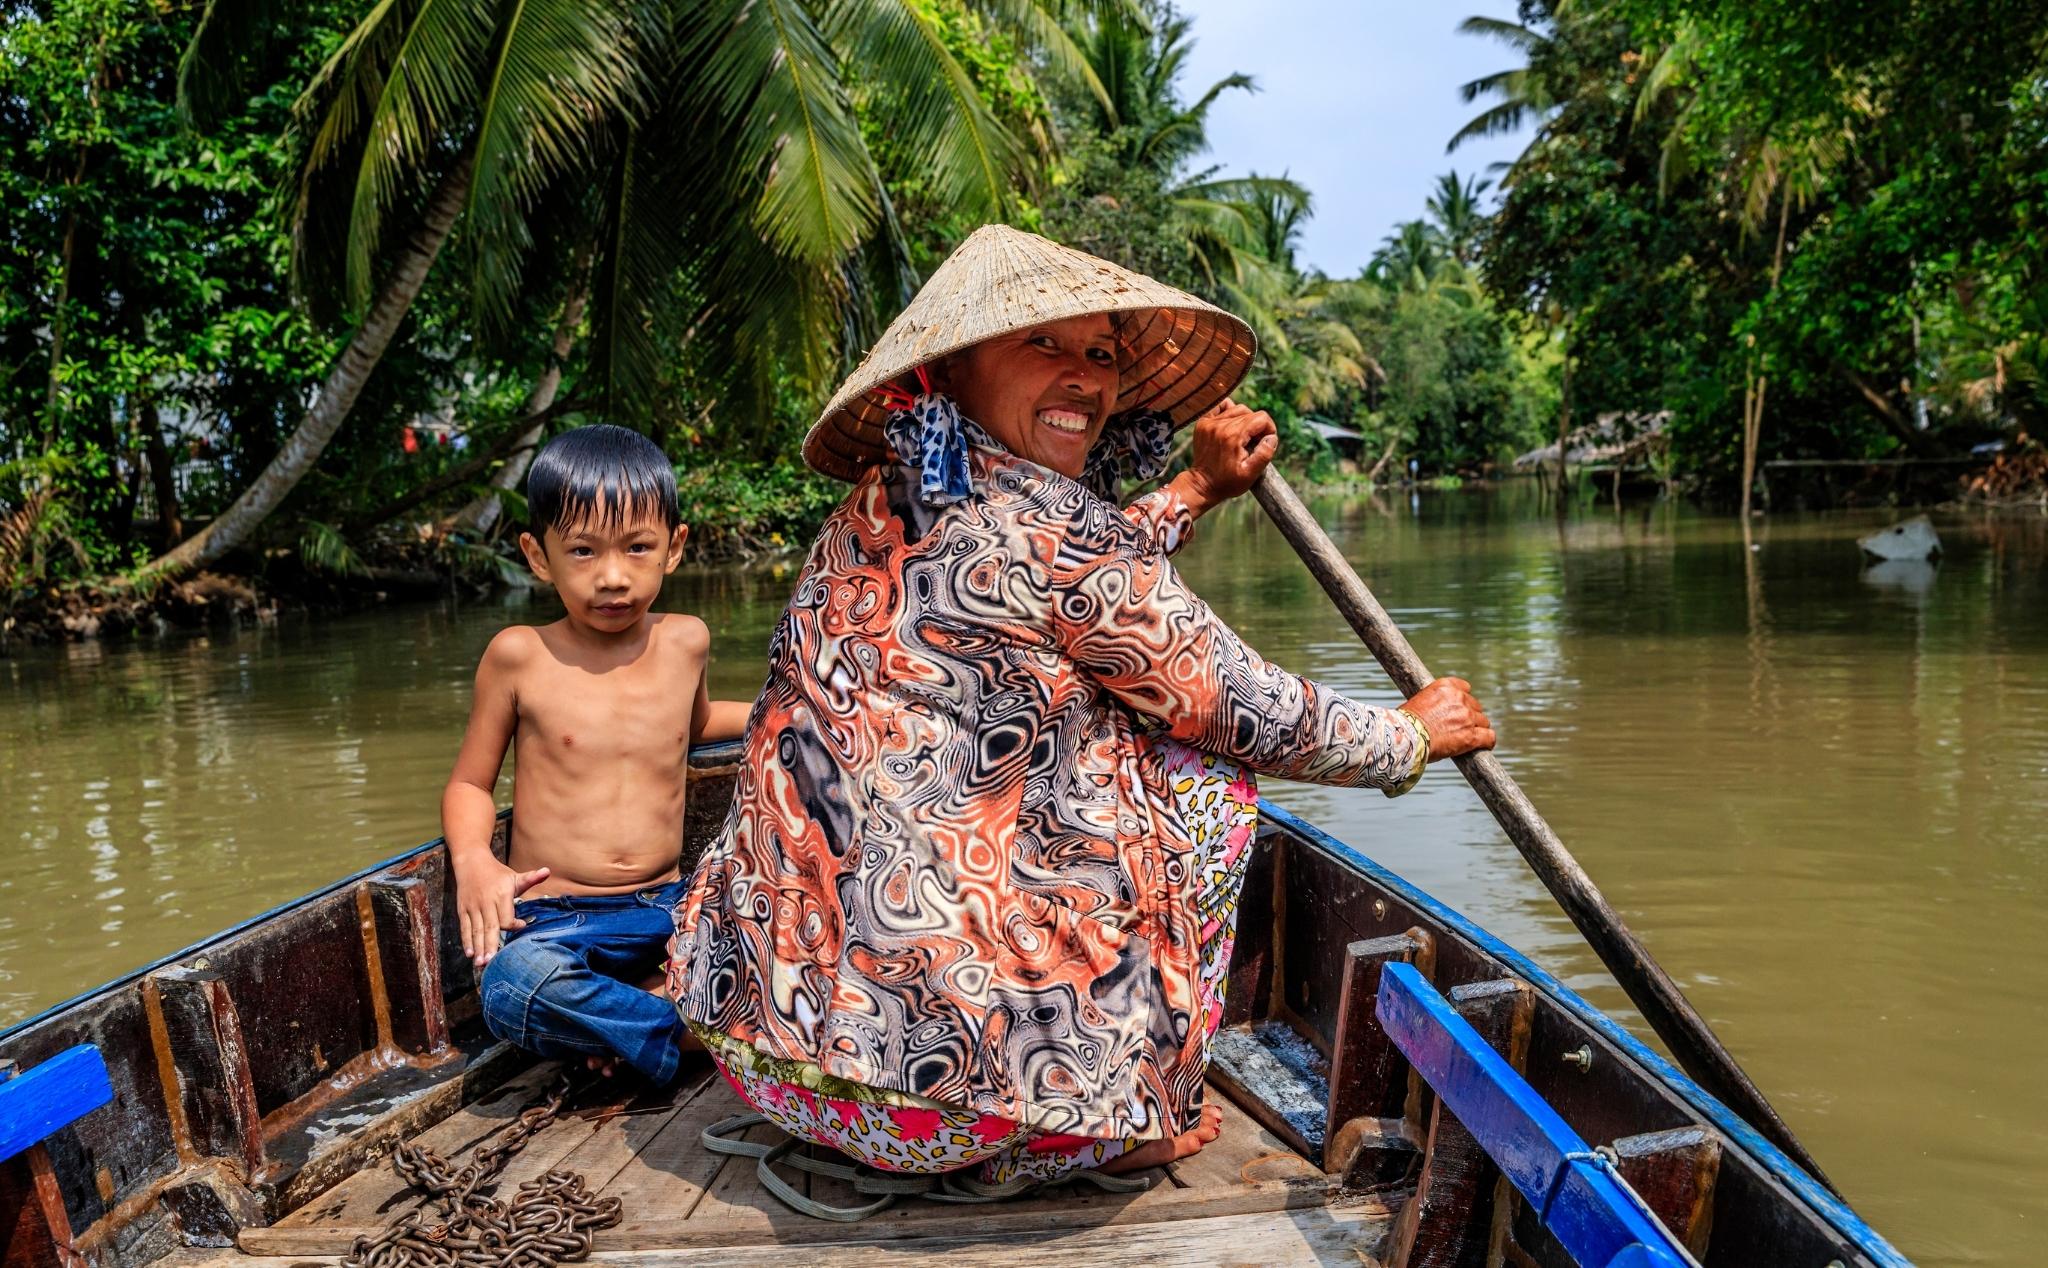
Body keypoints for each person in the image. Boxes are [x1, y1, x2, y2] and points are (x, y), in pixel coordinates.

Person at [669, 226, 1494, 1203]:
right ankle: (1130, 1109)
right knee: (1204, 772)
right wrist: (1408, 735)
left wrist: (1190, 491)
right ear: (949, 370)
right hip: (935, 1113)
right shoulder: (1059, 536)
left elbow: (1075, 574)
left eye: (1100, 354)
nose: (1084, 379)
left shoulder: (886, 495)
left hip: (765, 1053)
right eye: (1042, 345)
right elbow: (1248, 707)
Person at [442, 424, 750, 1085]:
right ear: (538, 555)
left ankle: (627, 1023)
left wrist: (786, 713)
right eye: (582, 551)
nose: (612, 576)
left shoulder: (685, 642)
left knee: (775, 919)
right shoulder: (519, 655)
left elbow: (693, 726)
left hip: (665, 906)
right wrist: (474, 862)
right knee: (511, 987)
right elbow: (471, 783)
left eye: (638, 548)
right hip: (554, 919)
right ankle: (687, 1028)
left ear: (674, 548)